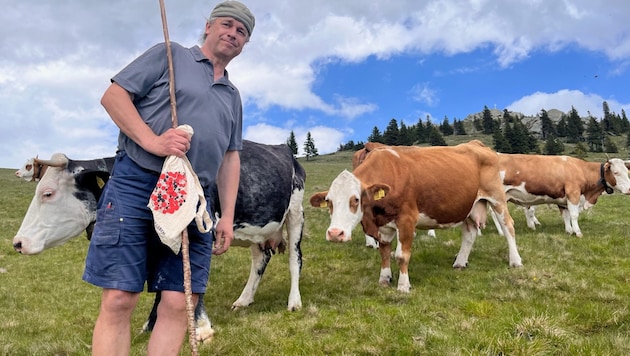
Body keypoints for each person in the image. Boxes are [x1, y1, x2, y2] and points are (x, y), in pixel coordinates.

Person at [82, 1, 255, 354]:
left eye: (241, 32)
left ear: (245, 44)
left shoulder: (233, 97)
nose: (232, 34)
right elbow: (113, 96)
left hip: (195, 198)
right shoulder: (170, 55)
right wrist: (153, 140)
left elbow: (230, 157)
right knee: (119, 296)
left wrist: (229, 218)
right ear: (208, 27)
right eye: (227, 25)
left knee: (180, 302)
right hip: (139, 180)